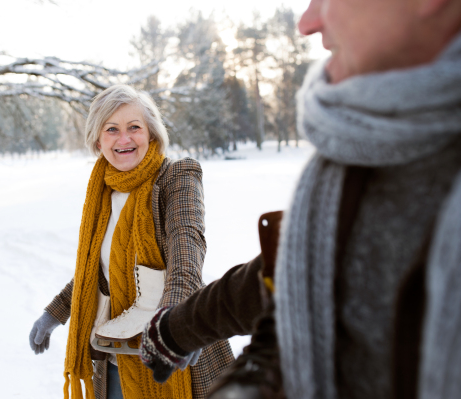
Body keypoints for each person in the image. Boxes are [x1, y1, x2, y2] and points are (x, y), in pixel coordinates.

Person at [140, 0, 461, 398]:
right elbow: (298, 275)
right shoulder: (371, 154)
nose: (307, 23)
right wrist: (176, 329)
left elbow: (185, 240)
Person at [28, 84, 233, 399]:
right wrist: (56, 313)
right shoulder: (103, 194)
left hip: (174, 356)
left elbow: (187, 251)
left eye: (134, 127)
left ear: (151, 133)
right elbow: (97, 269)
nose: (124, 139)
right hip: (113, 362)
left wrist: (177, 323)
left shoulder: (176, 178)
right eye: (112, 129)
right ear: (98, 140)